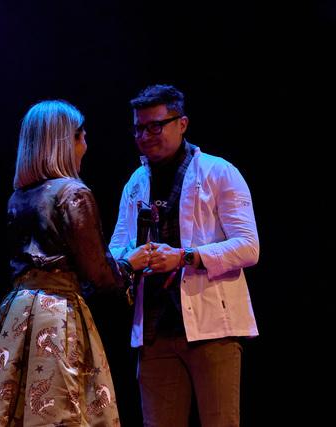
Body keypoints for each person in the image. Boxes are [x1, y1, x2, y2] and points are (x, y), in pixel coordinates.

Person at [0, 100, 144, 427]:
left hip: (16, 313)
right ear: (64, 141)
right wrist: (130, 264)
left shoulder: (18, 196)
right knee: (59, 409)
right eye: (81, 136)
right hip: (55, 314)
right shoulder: (72, 193)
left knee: (14, 409)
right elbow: (99, 274)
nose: (85, 145)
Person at [109, 84, 260, 427]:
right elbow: (117, 247)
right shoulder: (136, 182)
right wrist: (131, 257)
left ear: (182, 123)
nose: (145, 136)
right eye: (138, 128)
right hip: (154, 334)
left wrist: (184, 257)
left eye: (155, 126)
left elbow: (248, 246)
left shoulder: (219, 172)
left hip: (212, 330)